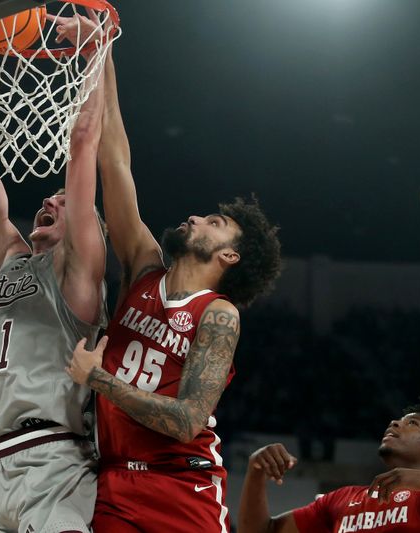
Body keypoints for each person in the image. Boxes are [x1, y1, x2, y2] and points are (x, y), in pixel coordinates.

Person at [65, 47, 283, 532]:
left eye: (214, 222)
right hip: (113, 485)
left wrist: (99, 380)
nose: (195, 218)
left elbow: (187, 420)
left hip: (183, 490)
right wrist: (99, 47)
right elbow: (115, 157)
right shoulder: (143, 268)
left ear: (230, 256)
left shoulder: (218, 313)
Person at [0, 36, 109, 533]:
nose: (53, 197)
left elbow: (84, 142)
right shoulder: (10, 259)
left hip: (55, 462)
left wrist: (97, 52)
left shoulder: (80, 274)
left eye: (66, 200)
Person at [237, 396, 420, 533]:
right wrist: (255, 471)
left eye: (412, 423)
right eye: (397, 420)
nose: (394, 423)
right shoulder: (341, 499)